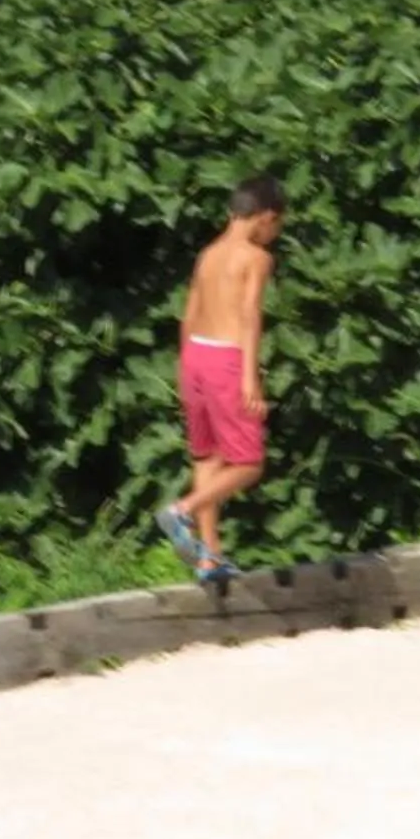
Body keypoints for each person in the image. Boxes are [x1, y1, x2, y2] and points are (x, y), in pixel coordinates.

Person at [159, 176, 286, 589]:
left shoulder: (208, 254)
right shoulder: (255, 258)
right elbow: (251, 315)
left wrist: (184, 368)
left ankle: (209, 558)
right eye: (277, 226)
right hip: (228, 360)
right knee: (248, 463)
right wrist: (251, 376)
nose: (274, 236)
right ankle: (182, 510)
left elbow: (190, 313)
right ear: (266, 218)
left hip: (196, 354)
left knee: (208, 458)